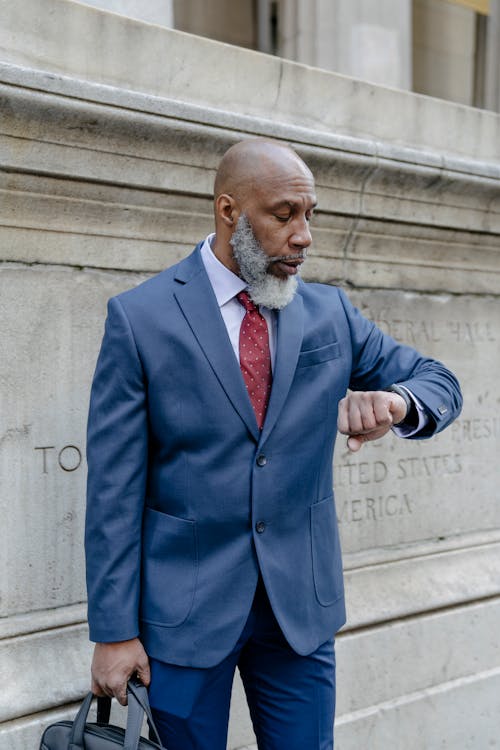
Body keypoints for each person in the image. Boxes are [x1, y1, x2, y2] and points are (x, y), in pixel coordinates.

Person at [85, 139, 462, 749]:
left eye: (310, 214)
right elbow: (112, 489)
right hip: (183, 617)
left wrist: (396, 404)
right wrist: (112, 631)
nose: (304, 234)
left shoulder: (329, 313)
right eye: (284, 214)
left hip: (298, 614)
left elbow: (438, 381)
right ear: (229, 211)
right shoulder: (141, 318)